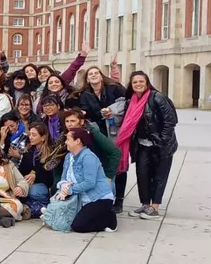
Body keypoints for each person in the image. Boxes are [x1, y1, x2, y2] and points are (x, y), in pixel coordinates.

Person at [120, 71, 178, 220]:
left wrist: (162, 141)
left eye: (141, 81)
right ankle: (145, 204)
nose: (138, 84)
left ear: (147, 83)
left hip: (161, 145)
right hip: (142, 144)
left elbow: (170, 120)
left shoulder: (157, 97)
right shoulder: (131, 101)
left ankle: (155, 207)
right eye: (135, 82)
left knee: (159, 175)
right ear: (131, 85)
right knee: (143, 174)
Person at [56, 127, 117, 233]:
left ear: (78, 141)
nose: (66, 142)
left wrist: (70, 190)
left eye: (68, 140)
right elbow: (63, 177)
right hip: (80, 197)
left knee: (78, 226)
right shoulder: (68, 157)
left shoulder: (88, 157)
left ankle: (109, 218)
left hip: (98, 198)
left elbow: (90, 183)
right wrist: (63, 187)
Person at [74, 66, 126, 137]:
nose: (93, 75)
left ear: (101, 77)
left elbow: (123, 102)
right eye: (90, 74)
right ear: (87, 79)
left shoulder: (114, 88)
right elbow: (87, 111)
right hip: (98, 128)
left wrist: (111, 110)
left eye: (96, 73)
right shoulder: (84, 95)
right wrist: (100, 113)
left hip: (116, 124)